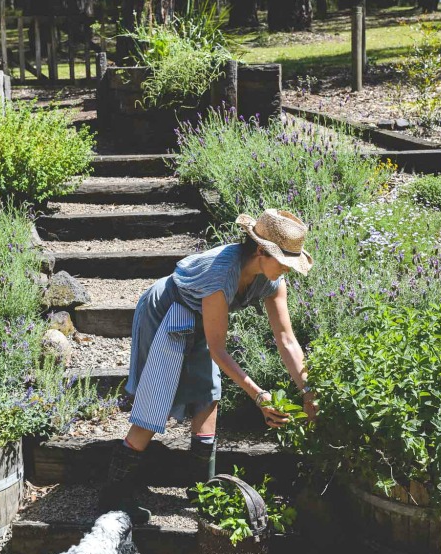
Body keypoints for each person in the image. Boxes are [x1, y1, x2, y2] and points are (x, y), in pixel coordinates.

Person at [98, 208, 316, 523]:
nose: (286, 270)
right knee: (155, 401)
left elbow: (287, 339)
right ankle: (113, 498)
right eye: (283, 262)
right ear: (260, 251)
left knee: (209, 395)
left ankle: (203, 492)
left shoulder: (272, 280)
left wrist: (308, 389)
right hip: (166, 312)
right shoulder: (221, 273)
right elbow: (218, 349)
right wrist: (258, 395)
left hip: (200, 319)